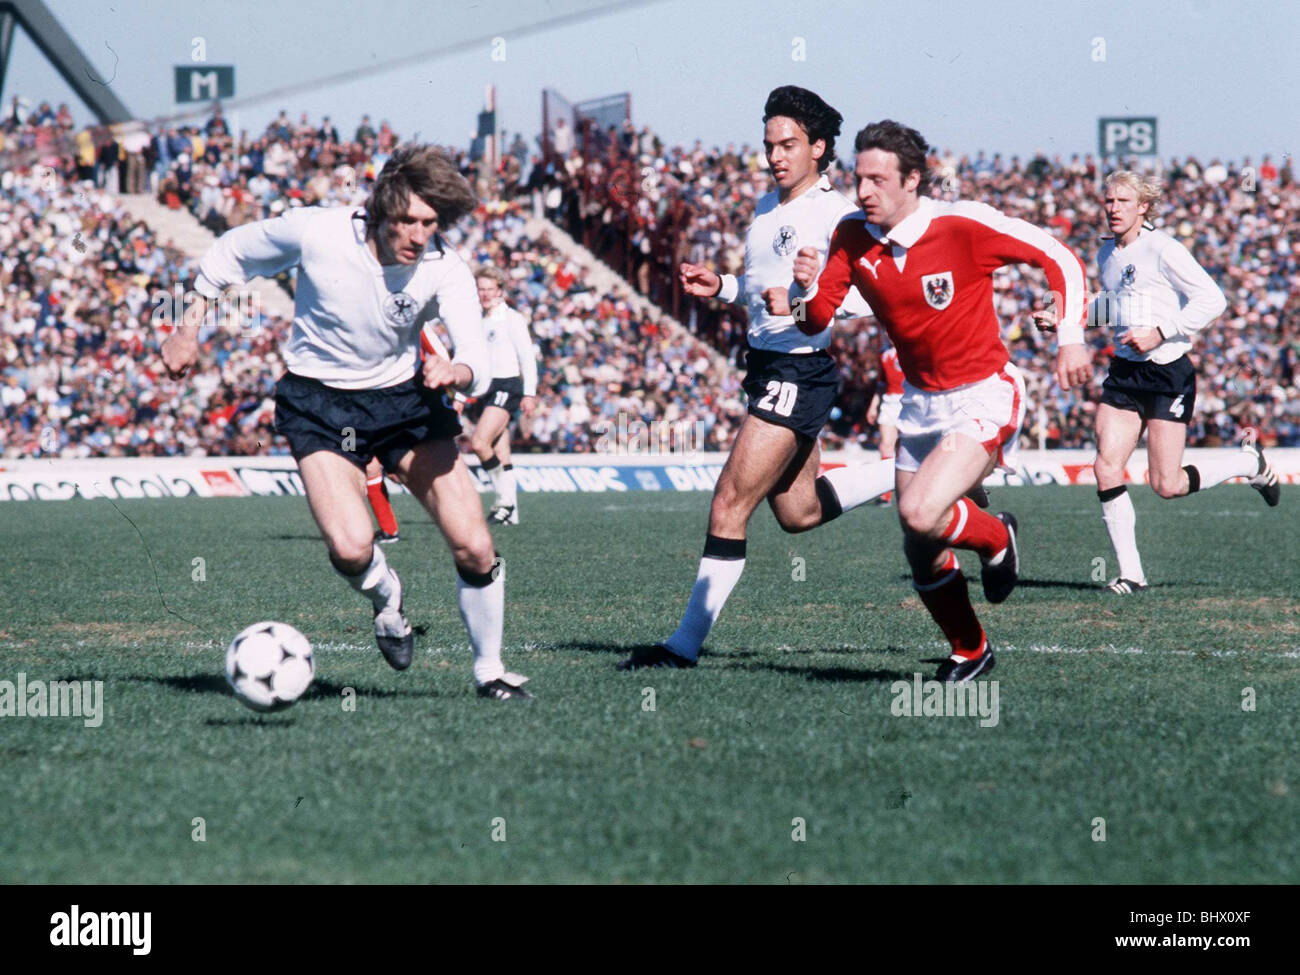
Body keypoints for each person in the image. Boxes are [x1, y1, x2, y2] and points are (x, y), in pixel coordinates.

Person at [161, 144, 533, 700]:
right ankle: (388, 601)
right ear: (380, 210)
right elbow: (226, 254)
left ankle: (490, 673)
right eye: (406, 220)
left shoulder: (445, 268)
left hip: (406, 401)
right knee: (352, 548)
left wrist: (452, 369)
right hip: (319, 404)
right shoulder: (317, 233)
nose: (417, 234)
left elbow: (476, 363)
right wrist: (187, 328)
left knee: (477, 547)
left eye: (429, 223)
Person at [769, 119, 1091, 682]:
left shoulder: (962, 224)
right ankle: (971, 647)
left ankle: (995, 536)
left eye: (877, 179)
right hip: (918, 403)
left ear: (913, 179)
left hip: (982, 393)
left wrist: (1070, 338)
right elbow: (816, 318)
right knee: (919, 544)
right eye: (858, 178)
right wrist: (801, 291)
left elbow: (1059, 256)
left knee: (920, 512)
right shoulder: (851, 235)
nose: (863, 191)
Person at [617, 86, 895, 671]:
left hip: (799, 370)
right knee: (798, 514)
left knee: (728, 503)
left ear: (819, 148)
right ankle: (914, 470)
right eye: (769, 145)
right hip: (766, 366)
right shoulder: (767, 209)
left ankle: (682, 647)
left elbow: (873, 301)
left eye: (788, 145)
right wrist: (718, 286)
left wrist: (807, 300)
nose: (775, 156)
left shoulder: (838, 214)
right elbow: (761, 292)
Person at [1051, 170, 1279, 594]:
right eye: (1108, 201)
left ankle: (1250, 464)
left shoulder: (1163, 248)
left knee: (1166, 485)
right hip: (1124, 372)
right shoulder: (1107, 255)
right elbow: (1116, 308)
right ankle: (1131, 575)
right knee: (1105, 466)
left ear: (1143, 207)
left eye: (1122, 202)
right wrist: (1067, 319)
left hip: (1167, 371)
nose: (1112, 209)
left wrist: (1160, 332)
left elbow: (1213, 299)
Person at [465, 264, 538, 525]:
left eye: (489, 289)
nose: (484, 294)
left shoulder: (511, 319)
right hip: (486, 389)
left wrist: (529, 393)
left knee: (479, 443)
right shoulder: (478, 319)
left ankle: (504, 502)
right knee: (500, 450)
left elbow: (527, 358)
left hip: (507, 386)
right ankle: (511, 513)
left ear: (500, 291)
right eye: (480, 289)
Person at [865, 345, 904, 505]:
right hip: (890, 402)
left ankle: (909, 491)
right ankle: (885, 495)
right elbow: (881, 384)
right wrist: (873, 406)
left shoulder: (910, 346)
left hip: (910, 401)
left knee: (908, 449)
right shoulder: (884, 355)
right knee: (886, 446)